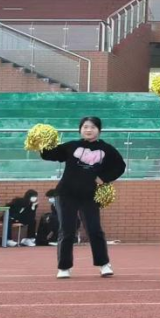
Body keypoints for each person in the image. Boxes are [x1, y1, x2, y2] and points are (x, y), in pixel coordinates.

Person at [39, 117, 126, 278]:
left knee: (94, 229)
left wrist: (103, 178)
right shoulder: (72, 146)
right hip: (66, 194)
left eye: (92, 127)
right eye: (85, 127)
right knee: (67, 230)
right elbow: (49, 155)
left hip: (89, 195)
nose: (88, 130)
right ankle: (64, 267)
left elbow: (120, 166)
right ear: (80, 130)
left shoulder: (106, 149)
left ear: (99, 130)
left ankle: (104, 264)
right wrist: (43, 142)